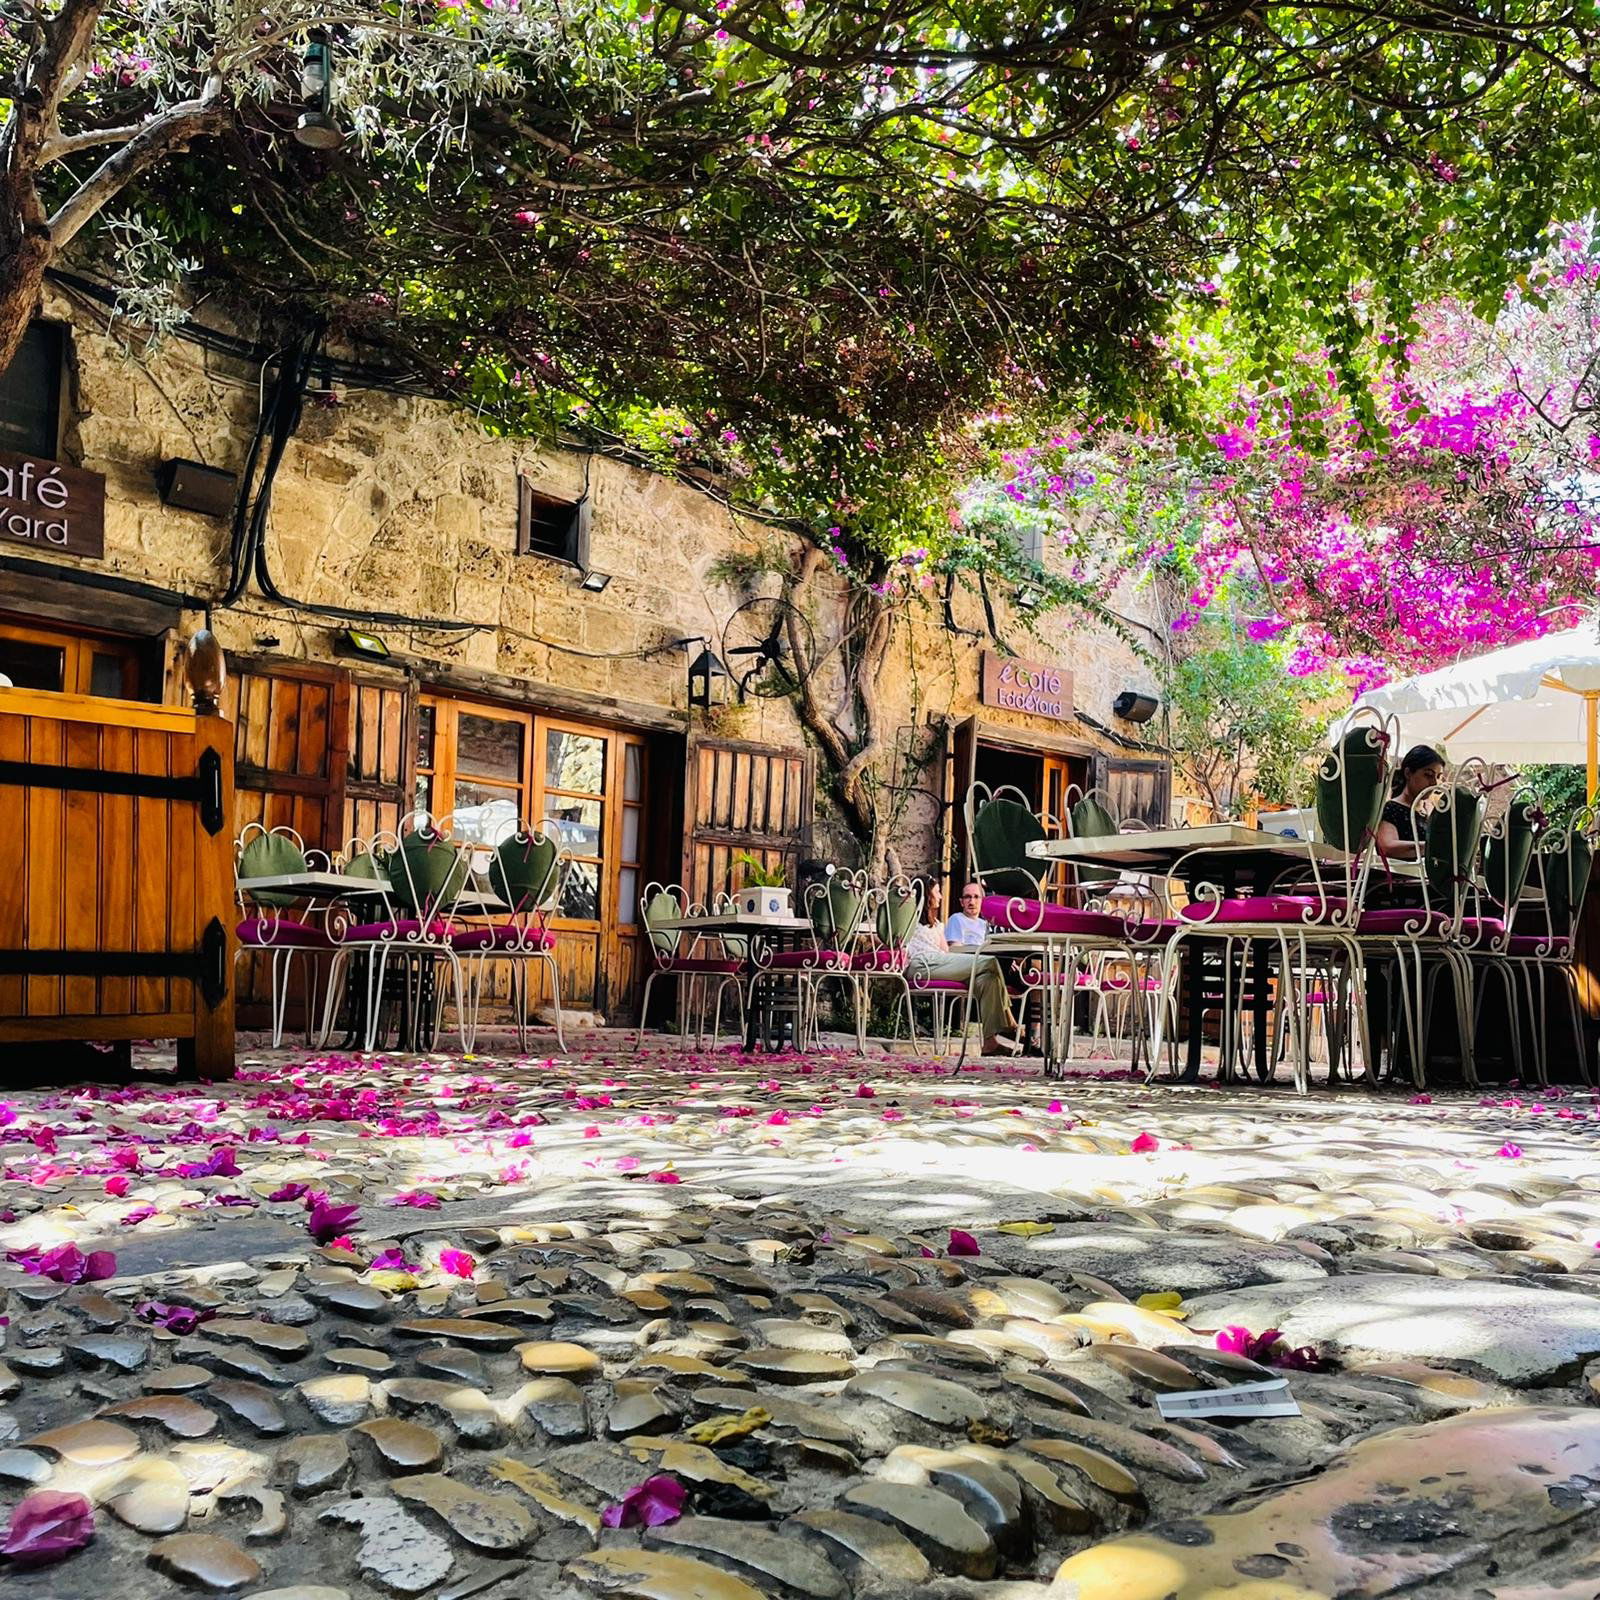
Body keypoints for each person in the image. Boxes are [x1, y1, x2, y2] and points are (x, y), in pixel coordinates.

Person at [909, 878, 1017, 1054]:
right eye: (937, 892)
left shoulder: (936, 924)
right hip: (921, 966)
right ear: (927, 894)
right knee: (990, 962)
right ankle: (1010, 1021)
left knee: (988, 979)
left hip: (940, 963)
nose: (941, 897)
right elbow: (890, 934)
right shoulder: (910, 918)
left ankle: (990, 1042)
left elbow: (946, 952)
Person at [1375, 745, 1446, 861]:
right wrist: (1434, 847)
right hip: (1400, 876)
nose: (1435, 783)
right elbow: (1387, 847)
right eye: (1428, 775)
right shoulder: (1392, 808)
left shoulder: (1429, 812)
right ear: (1408, 773)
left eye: (1438, 777)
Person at [945, 881, 989, 948]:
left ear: (983, 901)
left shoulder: (985, 924)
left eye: (976, 897)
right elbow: (955, 949)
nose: (972, 902)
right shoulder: (956, 918)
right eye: (967, 897)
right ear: (961, 902)